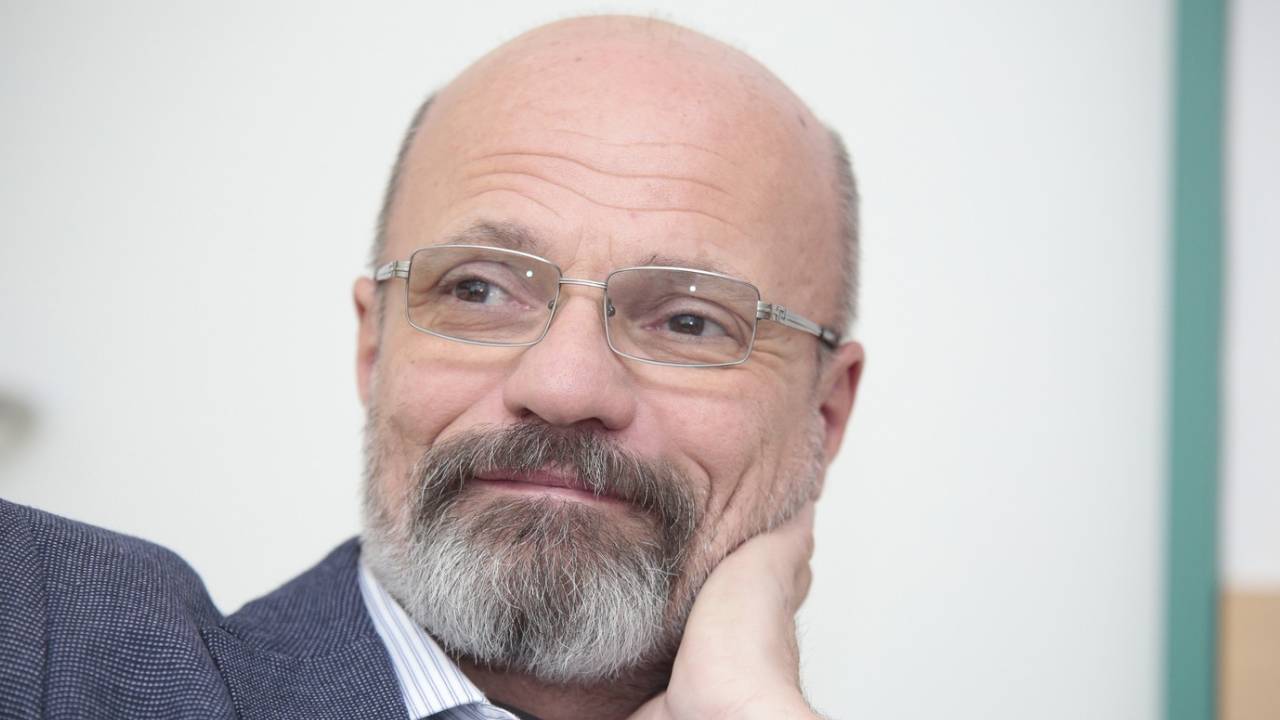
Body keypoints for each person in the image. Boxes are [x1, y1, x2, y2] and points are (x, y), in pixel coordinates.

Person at [0, 15, 863, 720]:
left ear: (825, 416)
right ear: (374, 347)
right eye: (478, 290)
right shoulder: (48, 635)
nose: (563, 388)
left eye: (688, 320)